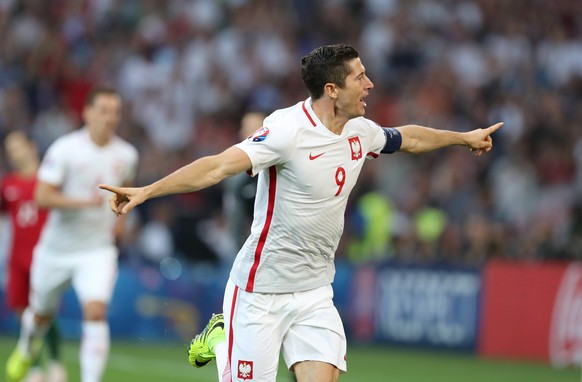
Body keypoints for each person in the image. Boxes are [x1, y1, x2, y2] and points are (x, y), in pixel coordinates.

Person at [99, 44, 502, 382]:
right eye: (359, 77)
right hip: (260, 291)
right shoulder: (286, 131)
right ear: (332, 89)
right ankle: (222, 338)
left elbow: (408, 138)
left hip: (314, 292)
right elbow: (219, 165)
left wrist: (462, 138)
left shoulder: (360, 130)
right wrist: (148, 191)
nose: (370, 84)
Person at [6, 85, 139, 382]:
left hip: (97, 250)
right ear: (87, 112)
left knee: (95, 312)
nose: (111, 118)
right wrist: (85, 203)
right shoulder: (65, 149)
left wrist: (120, 222)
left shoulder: (127, 154)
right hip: (56, 250)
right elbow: (42, 196)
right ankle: (27, 349)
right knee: (39, 315)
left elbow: (127, 188)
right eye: (104, 111)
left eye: (115, 112)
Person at [1, 131, 67, 382]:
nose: (13, 153)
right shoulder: (8, 184)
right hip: (17, 257)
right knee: (22, 312)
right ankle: (36, 367)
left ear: (30, 147)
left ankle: (56, 362)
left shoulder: (49, 180)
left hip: (45, 255)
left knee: (44, 311)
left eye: (17, 147)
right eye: (9, 149)